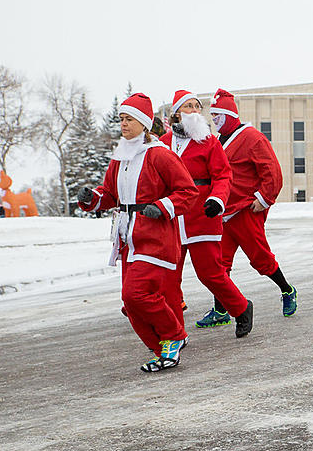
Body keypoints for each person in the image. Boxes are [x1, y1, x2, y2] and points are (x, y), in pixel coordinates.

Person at [77, 93, 199, 371]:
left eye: (129, 119)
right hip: (127, 239)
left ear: (144, 123)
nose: (123, 124)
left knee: (137, 295)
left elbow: (188, 191)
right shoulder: (119, 158)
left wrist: (163, 206)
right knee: (130, 304)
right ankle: (162, 351)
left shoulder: (160, 155)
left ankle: (175, 336)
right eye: (121, 119)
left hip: (155, 237)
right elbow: (109, 195)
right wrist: (90, 198)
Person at [160, 90, 253, 338]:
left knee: (210, 273)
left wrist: (217, 199)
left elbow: (223, 175)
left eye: (196, 106)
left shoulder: (208, 141)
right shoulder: (162, 142)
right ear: (177, 112)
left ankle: (242, 308)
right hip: (170, 219)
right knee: (168, 278)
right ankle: (174, 333)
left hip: (202, 214)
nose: (193, 110)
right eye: (187, 106)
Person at [208, 88, 298, 320]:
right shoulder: (220, 140)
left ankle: (287, 290)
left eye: (217, 116)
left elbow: (272, 171)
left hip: (247, 209)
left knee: (260, 258)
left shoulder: (252, 137)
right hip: (224, 212)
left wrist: (264, 198)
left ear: (229, 115)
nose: (214, 121)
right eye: (212, 117)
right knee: (219, 264)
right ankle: (221, 309)